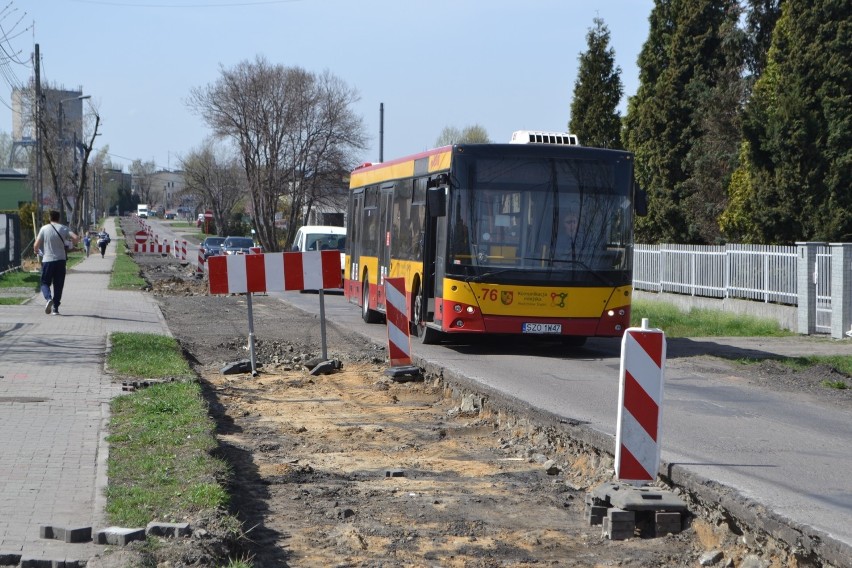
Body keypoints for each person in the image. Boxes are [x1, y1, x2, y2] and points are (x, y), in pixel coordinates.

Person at [33, 210, 79, 316]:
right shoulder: (63, 228)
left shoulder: (44, 229)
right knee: (58, 285)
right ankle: (55, 308)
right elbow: (76, 238)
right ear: (59, 218)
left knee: (45, 282)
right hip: (61, 260)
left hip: (47, 260)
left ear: (50, 218)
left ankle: (48, 298)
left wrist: (36, 251)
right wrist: (71, 245)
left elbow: (36, 245)